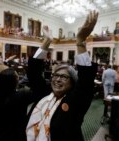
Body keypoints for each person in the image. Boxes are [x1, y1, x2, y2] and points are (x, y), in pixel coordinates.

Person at [26, 10, 98, 141]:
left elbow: (86, 80)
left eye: (64, 77)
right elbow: (33, 72)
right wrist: (47, 41)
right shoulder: (45, 92)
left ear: (72, 82)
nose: (58, 79)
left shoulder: (76, 100)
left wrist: (80, 41)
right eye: (55, 75)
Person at [0, 56, 46, 141]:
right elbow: (40, 90)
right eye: (17, 77)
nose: (18, 78)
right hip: (16, 136)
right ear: (13, 81)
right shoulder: (21, 95)